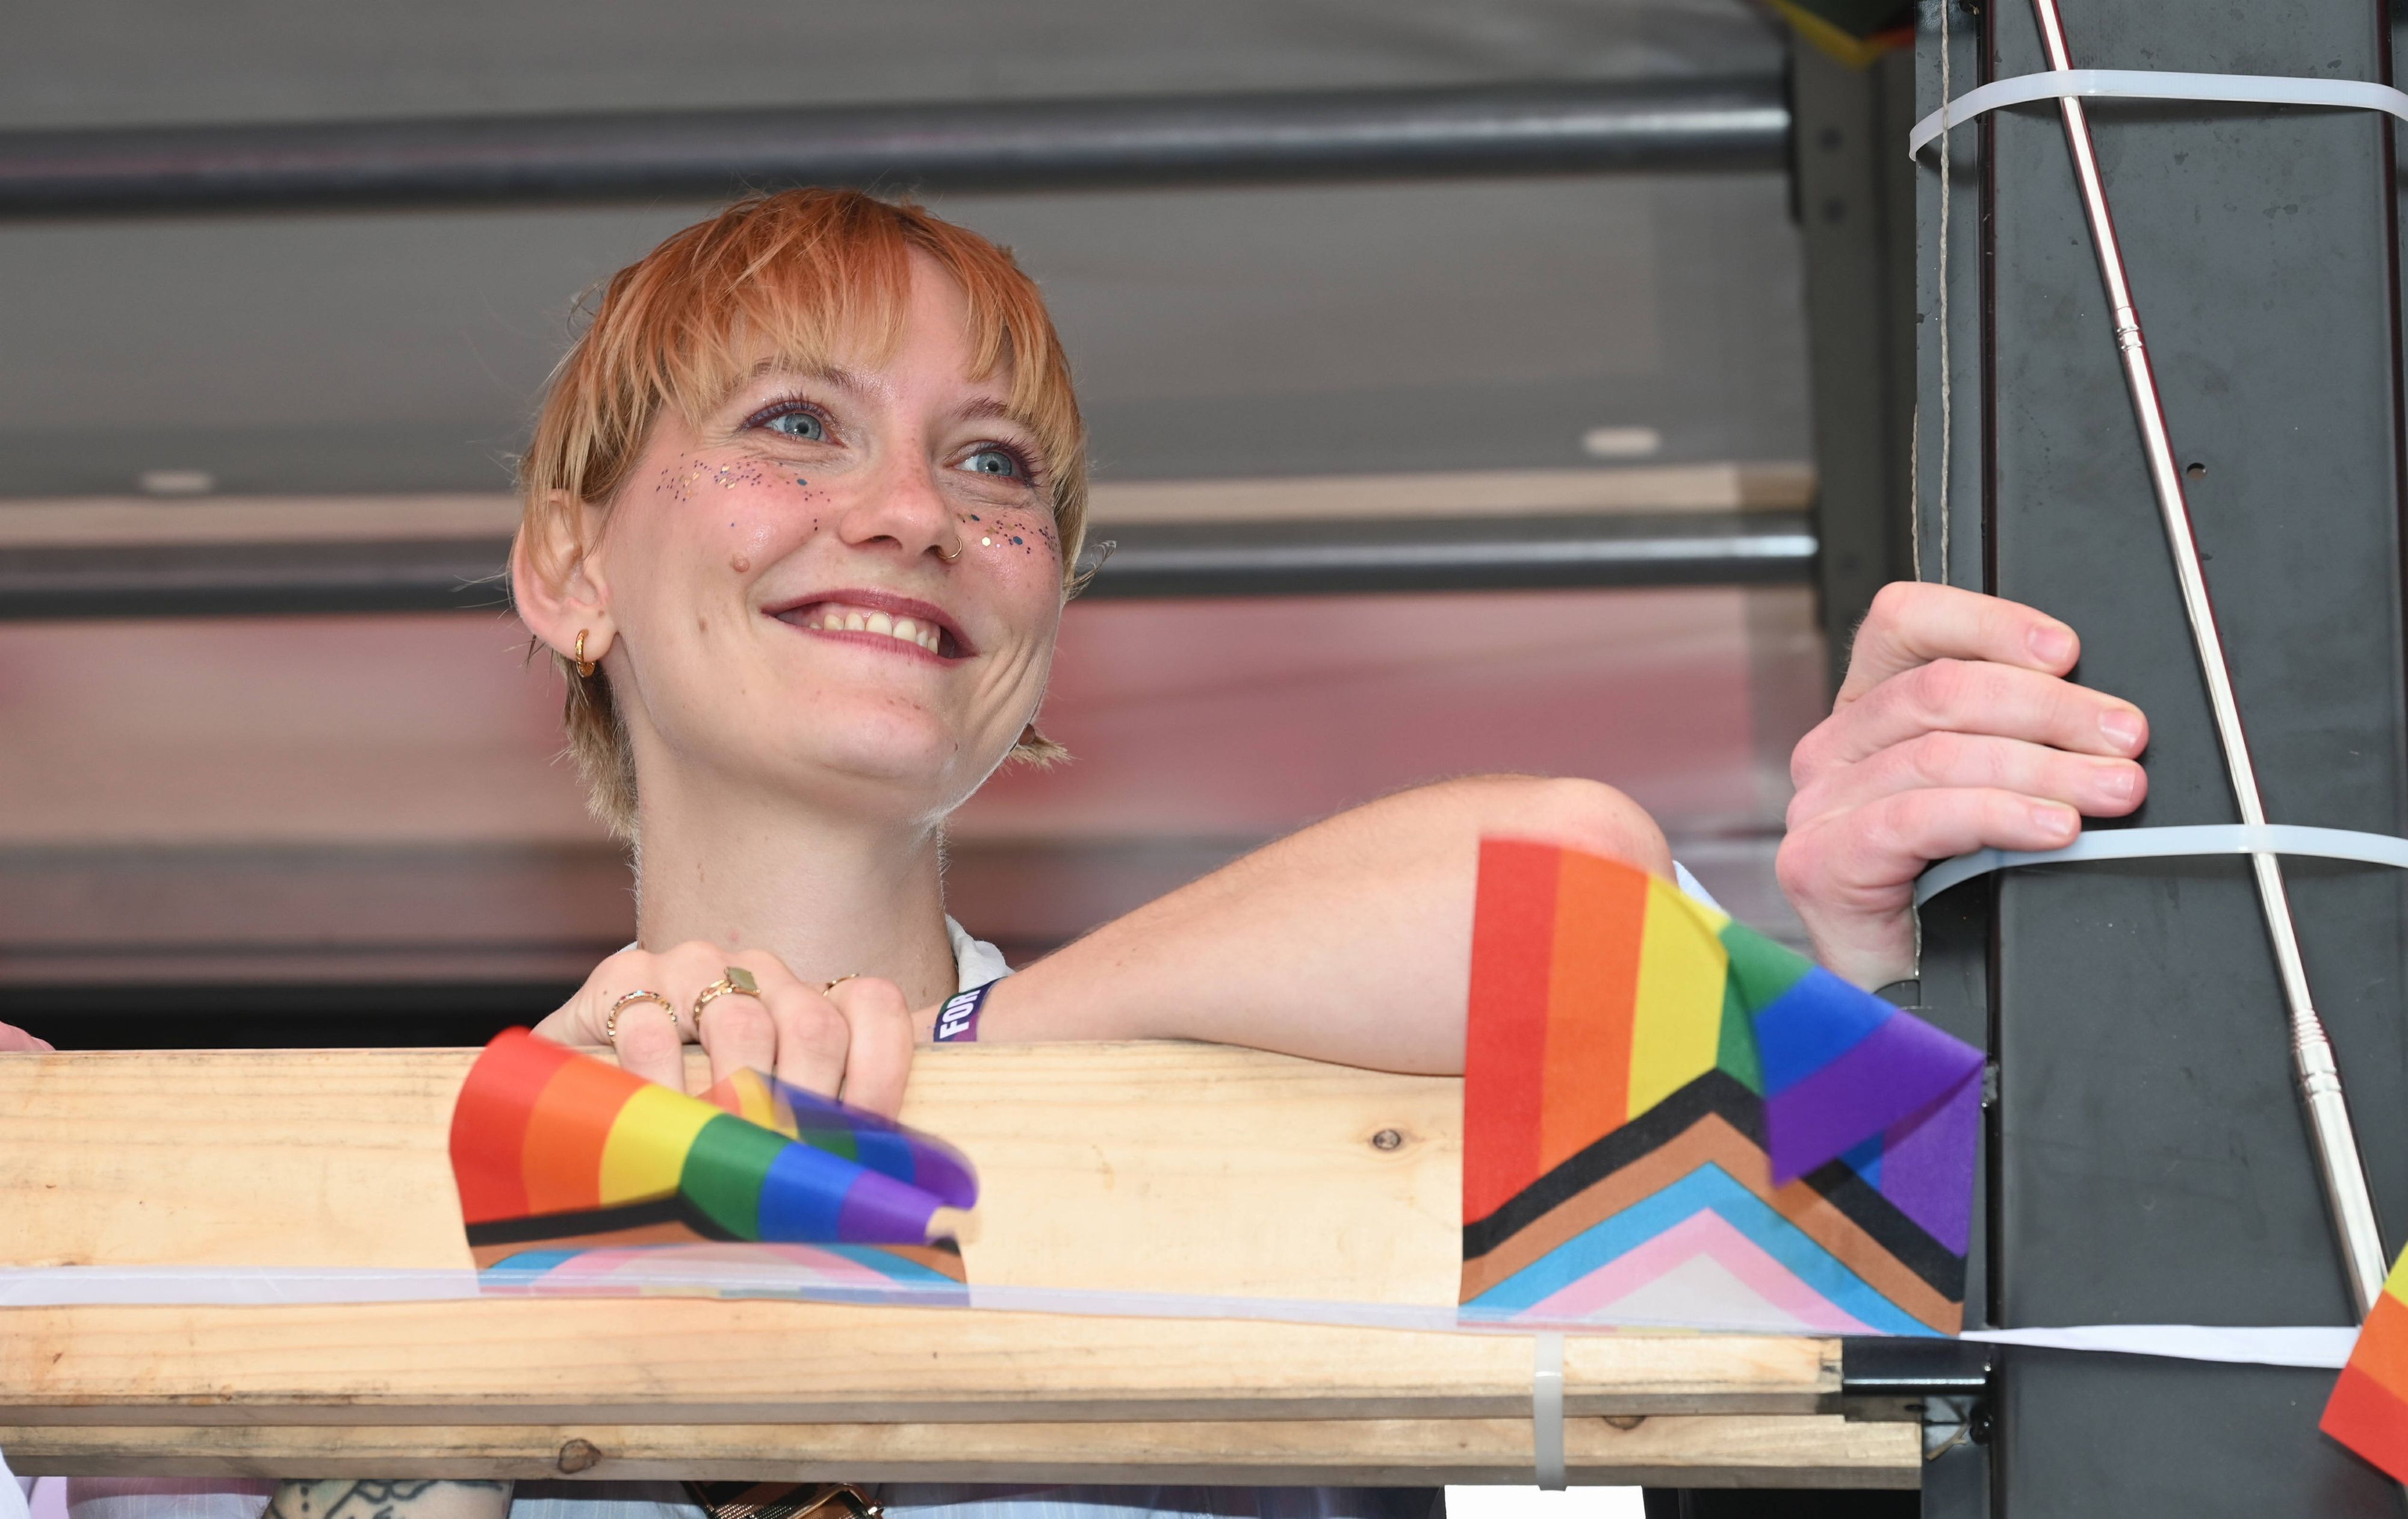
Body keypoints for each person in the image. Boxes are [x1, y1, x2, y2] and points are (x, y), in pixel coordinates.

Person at [0, 188, 2152, 1519]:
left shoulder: (1267, 1045)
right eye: (793, 423)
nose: (909, 513)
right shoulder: (282, 1193)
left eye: (993, 464)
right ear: (568, 568)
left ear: (1037, 633)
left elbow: (1567, 882)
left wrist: (925, 1091)